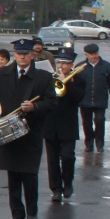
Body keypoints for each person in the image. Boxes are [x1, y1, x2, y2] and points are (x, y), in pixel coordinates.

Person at [0, 38, 57, 219]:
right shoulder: (4, 73)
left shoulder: (43, 77)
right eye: (19, 54)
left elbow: (51, 102)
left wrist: (34, 106)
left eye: (25, 54)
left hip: (31, 132)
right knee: (13, 175)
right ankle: (17, 214)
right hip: (9, 132)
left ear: (32, 55)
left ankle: (32, 213)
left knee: (29, 175)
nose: (22, 57)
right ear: (14, 54)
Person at [45, 49, 86, 202]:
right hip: (50, 124)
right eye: (59, 63)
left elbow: (79, 97)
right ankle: (55, 189)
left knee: (68, 157)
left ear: (72, 65)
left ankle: (68, 183)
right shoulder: (49, 78)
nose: (61, 66)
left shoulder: (79, 79)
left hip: (68, 125)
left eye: (65, 63)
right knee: (52, 159)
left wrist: (65, 83)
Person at [79, 43, 110, 152]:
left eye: (95, 53)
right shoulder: (80, 67)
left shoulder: (106, 66)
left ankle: (100, 143)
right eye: (91, 54)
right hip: (85, 101)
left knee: (100, 120)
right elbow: (75, 85)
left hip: (100, 100)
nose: (93, 56)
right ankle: (89, 143)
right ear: (86, 54)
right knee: (86, 123)